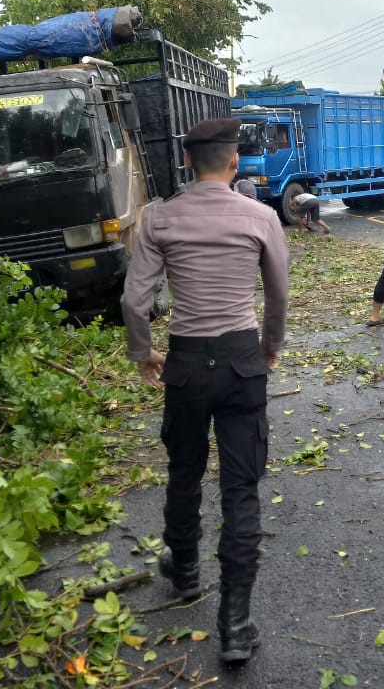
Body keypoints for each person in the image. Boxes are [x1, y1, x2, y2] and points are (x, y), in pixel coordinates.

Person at [120, 117, 290, 665]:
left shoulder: (159, 219)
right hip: (242, 360)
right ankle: (236, 625)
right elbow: (278, 294)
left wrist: (144, 352)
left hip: (187, 362)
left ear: (189, 162)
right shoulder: (262, 217)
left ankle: (186, 570)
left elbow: (133, 300)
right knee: (242, 489)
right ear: (235, 162)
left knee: (185, 469)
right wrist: (269, 348)